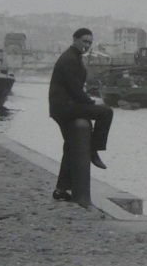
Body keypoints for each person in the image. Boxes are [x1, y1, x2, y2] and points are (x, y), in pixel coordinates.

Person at [48, 28, 113, 202]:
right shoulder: (70, 59)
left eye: (90, 43)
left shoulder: (72, 57)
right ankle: (93, 150)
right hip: (66, 107)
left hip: (61, 108)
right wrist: (90, 103)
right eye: (84, 41)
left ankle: (61, 190)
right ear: (75, 39)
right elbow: (75, 90)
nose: (87, 45)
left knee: (71, 146)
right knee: (106, 113)